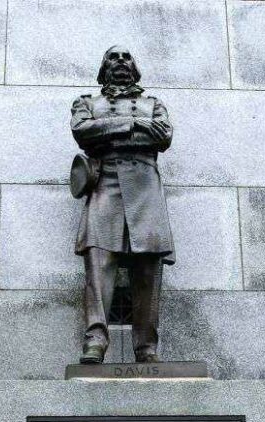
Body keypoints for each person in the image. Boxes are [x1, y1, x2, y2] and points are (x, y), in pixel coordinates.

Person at [70, 46, 175, 364]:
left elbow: (164, 137)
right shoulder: (87, 103)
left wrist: (109, 132)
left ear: (135, 67)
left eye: (126, 57)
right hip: (105, 184)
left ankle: (146, 347)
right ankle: (95, 341)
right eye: (113, 58)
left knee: (147, 269)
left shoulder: (153, 104)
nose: (120, 62)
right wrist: (136, 125)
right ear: (103, 68)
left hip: (145, 189)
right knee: (98, 262)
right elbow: (83, 132)